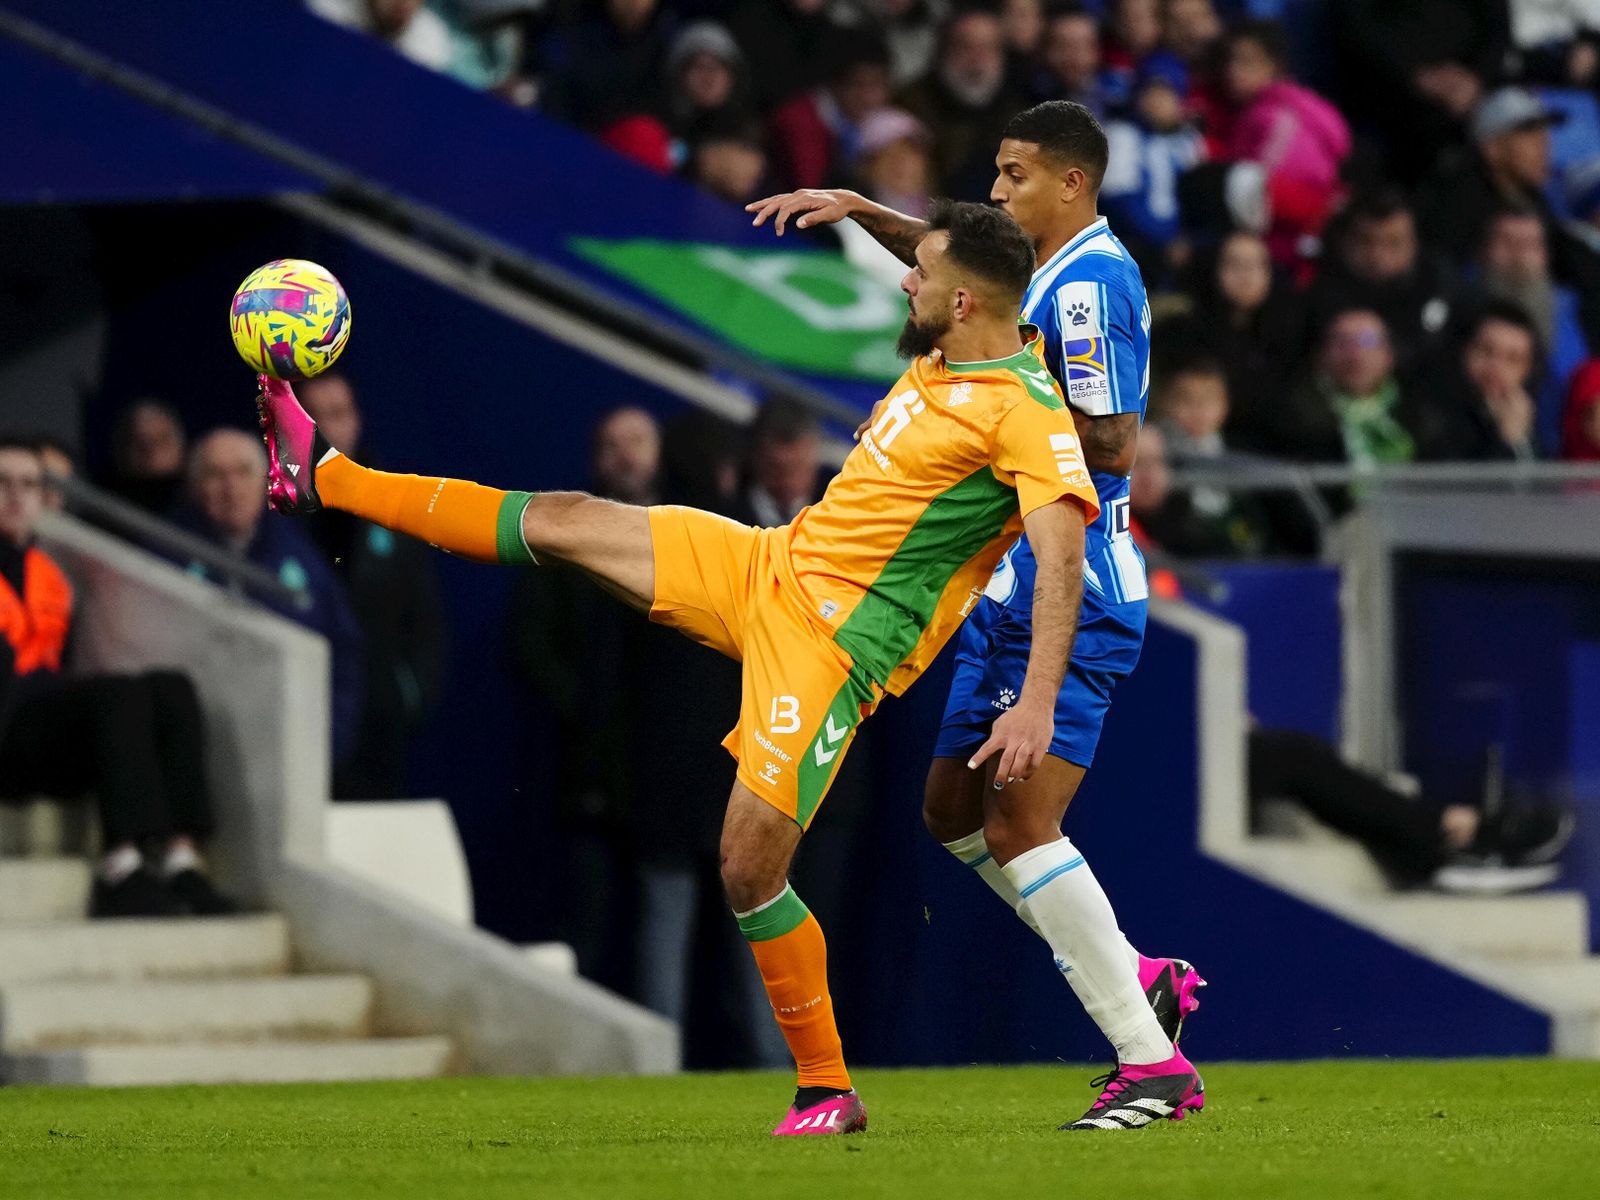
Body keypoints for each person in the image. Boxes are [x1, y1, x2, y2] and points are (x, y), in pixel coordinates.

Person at [254, 199, 1099, 1137]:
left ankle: (826, 1087)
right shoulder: (961, 331)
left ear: (966, 302)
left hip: (831, 647)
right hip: (767, 562)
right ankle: (324, 476)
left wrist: (1037, 701)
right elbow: (955, 256)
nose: (905, 278)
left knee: (747, 867)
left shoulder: (1027, 415)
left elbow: (1061, 560)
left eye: (921, 273)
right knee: (568, 520)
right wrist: (862, 209)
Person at [745, 100, 1206, 1132]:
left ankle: (1150, 1063)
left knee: (1018, 822)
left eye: (1013, 176)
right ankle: (1136, 973)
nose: (995, 192)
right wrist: (863, 209)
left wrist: (997, 416)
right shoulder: (1040, 268)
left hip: (1074, 580)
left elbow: (1115, 444)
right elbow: (962, 277)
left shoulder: (1088, 287)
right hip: (1007, 581)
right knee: (950, 812)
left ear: (1072, 183)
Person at [0, 436, 235, 918]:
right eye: (2, 483)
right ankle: (120, 866)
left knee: (169, 687)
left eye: (29, 484)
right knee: (113, 695)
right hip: (8, 736)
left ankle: (179, 857)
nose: (16, 496)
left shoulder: (48, 574)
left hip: (41, 730)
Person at [296, 375, 446, 800]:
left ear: (357, 421)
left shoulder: (393, 507)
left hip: (376, 721)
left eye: (337, 413)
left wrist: (408, 693)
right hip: (294, 708)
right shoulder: (272, 509)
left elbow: (425, 619)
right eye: (312, 416)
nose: (326, 428)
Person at [177, 429, 365, 765]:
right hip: (199, 745)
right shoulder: (168, 554)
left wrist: (329, 740)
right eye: (216, 475)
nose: (231, 488)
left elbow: (343, 652)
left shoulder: (302, 560)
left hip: (290, 747)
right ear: (195, 486)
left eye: (243, 472)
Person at [1474, 207, 1592, 452]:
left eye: (1529, 244)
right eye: (1506, 241)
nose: (1518, 256)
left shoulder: (1578, 311)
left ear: (1545, 255)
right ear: (1484, 250)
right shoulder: (1461, 313)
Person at [1304, 190, 1456, 372]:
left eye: (1393, 243)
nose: (1377, 256)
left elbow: (1430, 343)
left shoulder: (1434, 280)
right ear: (1343, 241)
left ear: (1414, 244)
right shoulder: (1315, 278)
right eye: (1365, 241)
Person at [1274, 309, 1414, 469]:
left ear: (1389, 355)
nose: (1355, 355)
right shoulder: (1293, 421)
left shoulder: (1417, 416)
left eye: (1369, 341)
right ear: (1321, 355)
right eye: (1342, 342)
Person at [1409, 302, 1543, 461]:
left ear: (1528, 369)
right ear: (1465, 350)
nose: (1496, 366)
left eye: (1512, 359)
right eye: (1486, 350)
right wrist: (1506, 441)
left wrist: (1519, 440)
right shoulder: (1433, 416)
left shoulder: (1529, 417)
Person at [106, 398, 187, 516]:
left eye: (160, 441)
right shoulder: (104, 503)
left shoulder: (197, 506)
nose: (151, 452)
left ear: (180, 448)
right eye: (140, 444)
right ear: (122, 451)